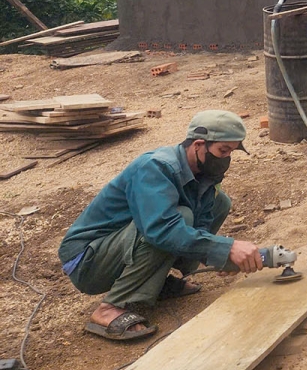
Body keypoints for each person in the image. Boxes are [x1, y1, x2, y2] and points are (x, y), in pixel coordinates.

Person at [58, 111, 261, 342]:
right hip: (88, 261)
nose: (226, 158)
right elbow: (161, 229)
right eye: (223, 151)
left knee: (219, 202)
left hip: (123, 245)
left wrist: (219, 256)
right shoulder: (155, 167)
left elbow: (201, 226)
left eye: (231, 152)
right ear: (198, 145)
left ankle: (157, 283)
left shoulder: (204, 172)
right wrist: (226, 247)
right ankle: (109, 308)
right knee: (176, 220)